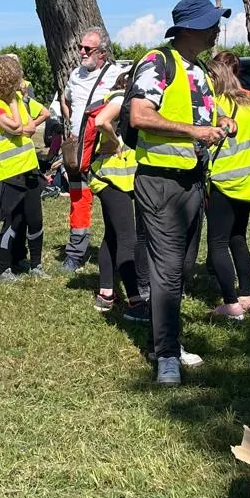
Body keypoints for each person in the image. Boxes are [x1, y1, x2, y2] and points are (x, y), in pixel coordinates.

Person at [130, 0, 231, 385]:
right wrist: (195, 132)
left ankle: (166, 340)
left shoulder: (199, 69)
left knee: (183, 267)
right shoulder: (157, 62)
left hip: (191, 179)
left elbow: (195, 115)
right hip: (160, 180)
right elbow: (140, 115)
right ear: (188, 28)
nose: (216, 29)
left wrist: (219, 123)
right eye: (210, 24)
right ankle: (166, 355)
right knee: (169, 269)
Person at [204, 51, 250, 321]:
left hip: (225, 179)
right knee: (238, 238)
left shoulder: (218, 104)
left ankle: (231, 305)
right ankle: (247, 296)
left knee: (218, 243)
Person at [0, 53, 47, 280]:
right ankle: (4, 268)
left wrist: (21, 120)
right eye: (17, 77)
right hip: (7, 172)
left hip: (28, 168)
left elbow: (29, 129)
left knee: (34, 219)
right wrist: (15, 103)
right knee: (12, 221)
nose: (21, 81)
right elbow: (17, 127)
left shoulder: (14, 98)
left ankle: (35, 264)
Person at [86, 71, 148, 318]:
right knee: (127, 237)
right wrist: (117, 141)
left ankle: (106, 294)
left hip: (115, 178)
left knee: (112, 236)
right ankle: (135, 301)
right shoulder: (121, 97)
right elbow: (101, 121)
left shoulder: (119, 98)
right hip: (112, 179)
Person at [59, 29, 116, 273]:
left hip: (104, 153)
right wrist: (74, 127)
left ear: (102, 53)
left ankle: (115, 250)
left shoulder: (115, 75)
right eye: (80, 48)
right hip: (78, 150)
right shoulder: (75, 75)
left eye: (87, 49)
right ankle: (75, 253)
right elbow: (65, 99)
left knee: (112, 204)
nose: (81, 52)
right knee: (78, 200)